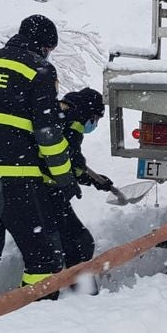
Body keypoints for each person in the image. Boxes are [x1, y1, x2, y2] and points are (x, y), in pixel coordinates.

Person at [0, 15, 77, 306]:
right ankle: (32, 317)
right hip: (12, 179)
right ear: (47, 46)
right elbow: (47, 133)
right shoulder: (39, 69)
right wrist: (64, 177)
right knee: (41, 258)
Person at [48, 88, 114, 277]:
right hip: (48, 188)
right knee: (81, 242)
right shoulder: (75, 118)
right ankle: (78, 289)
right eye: (96, 119)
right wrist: (88, 178)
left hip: (36, 186)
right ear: (90, 113)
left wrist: (93, 180)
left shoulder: (58, 111)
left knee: (61, 242)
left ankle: (68, 282)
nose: (94, 124)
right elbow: (72, 155)